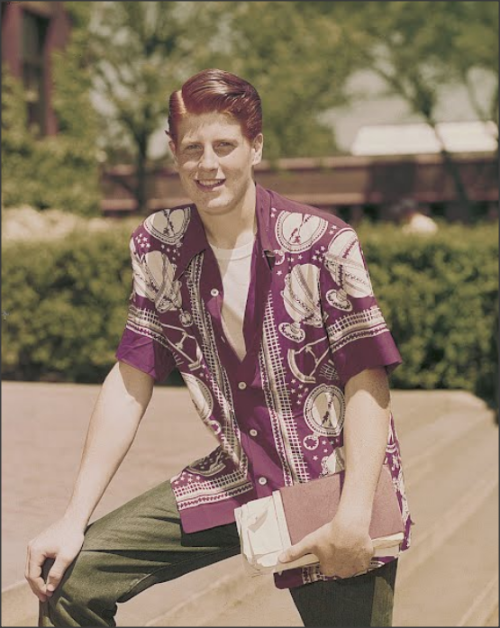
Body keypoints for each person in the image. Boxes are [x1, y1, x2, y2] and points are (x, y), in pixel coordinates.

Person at [26, 69, 412, 627]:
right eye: (193, 148)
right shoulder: (159, 244)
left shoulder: (324, 243)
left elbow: (367, 383)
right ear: (174, 155)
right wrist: (72, 517)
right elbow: (132, 377)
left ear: (256, 146)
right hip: (235, 472)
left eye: (225, 145)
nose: (209, 165)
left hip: (330, 482)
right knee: (71, 583)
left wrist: (354, 514)